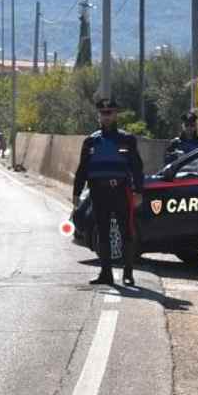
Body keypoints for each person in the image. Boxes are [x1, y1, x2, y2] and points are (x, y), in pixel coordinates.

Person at [72, 96, 144, 286]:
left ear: (115, 114)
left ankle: (128, 272)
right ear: (98, 116)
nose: (106, 116)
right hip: (98, 192)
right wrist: (76, 194)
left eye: (109, 113)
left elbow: (137, 167)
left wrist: (138, 191)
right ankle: (106, 273)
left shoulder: (127, 139)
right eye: (103, 113)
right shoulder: (91, 141)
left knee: (126, 230)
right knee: (102, 232)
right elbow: (82, 169)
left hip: (121, 191)